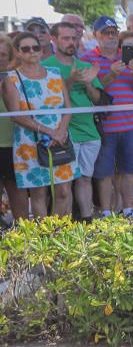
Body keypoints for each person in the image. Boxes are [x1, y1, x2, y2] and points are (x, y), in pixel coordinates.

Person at [2, 32, 79, 217]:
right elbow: (16, 116)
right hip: (30, 142)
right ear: (18, 53)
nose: (32, 52)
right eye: (26, 49)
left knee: (64, 191)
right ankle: (43, 239)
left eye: (35, 47)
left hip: (61, 138)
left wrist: (60, 132)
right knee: (39, 193)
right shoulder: (11, 79)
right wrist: (49, 132)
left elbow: (67, 107)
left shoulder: (54, 73)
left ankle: (59, 234)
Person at [83, 17, 133, 217]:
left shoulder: (128, 57)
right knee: (104, 172)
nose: (110, 36)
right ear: (96, 36)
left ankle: (127, 209)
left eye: (113, 32)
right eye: (105, 32)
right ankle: (105, 212)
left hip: (129, 124)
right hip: (104, 126)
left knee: (129, 170)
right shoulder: (88, 58)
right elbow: (91, 92)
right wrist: (111, 74)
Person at [43, 23, 104, 222]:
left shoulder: (86, 65)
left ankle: (87, 222)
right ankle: (63, 229)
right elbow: (52, 99)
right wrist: (70, 80)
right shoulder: (46, 67)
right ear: (54, 39)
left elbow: (97, 99)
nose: (72, 43)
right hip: (62, 132)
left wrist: (86, 81)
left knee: (85, 179)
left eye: (74, 39)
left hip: (90, 131)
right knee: (63, 185)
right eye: (66, 38)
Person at [0, 35, 28, 222]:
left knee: (17, 190)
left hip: (14, 142)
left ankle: (24, 235)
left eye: (3, 54)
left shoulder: (17, 77)